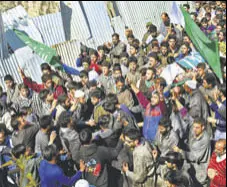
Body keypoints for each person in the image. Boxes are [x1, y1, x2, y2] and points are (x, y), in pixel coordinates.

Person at [173, 118, 211, 187]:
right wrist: (181, 108)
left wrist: (180, 151)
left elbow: (195, 157)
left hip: (199, 171)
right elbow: (188, 118)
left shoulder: (204, 140)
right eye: (194, 127)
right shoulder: (195, 132)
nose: (194, 129)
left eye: (197, 127)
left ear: (203, 127)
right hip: (190, 167)